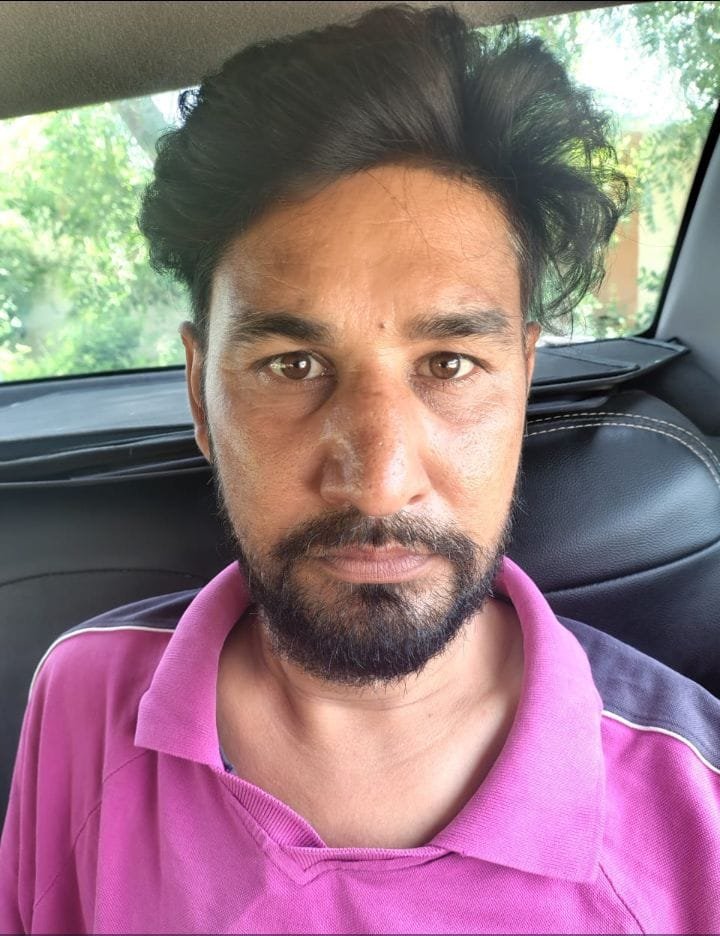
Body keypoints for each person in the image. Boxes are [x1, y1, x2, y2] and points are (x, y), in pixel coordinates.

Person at [1, 4, 719, 933]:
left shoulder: (699, 812)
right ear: (200, 396)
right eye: (292, 366)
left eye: (450, 364)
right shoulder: (82, 697)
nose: (379, 481)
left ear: (522, 382)